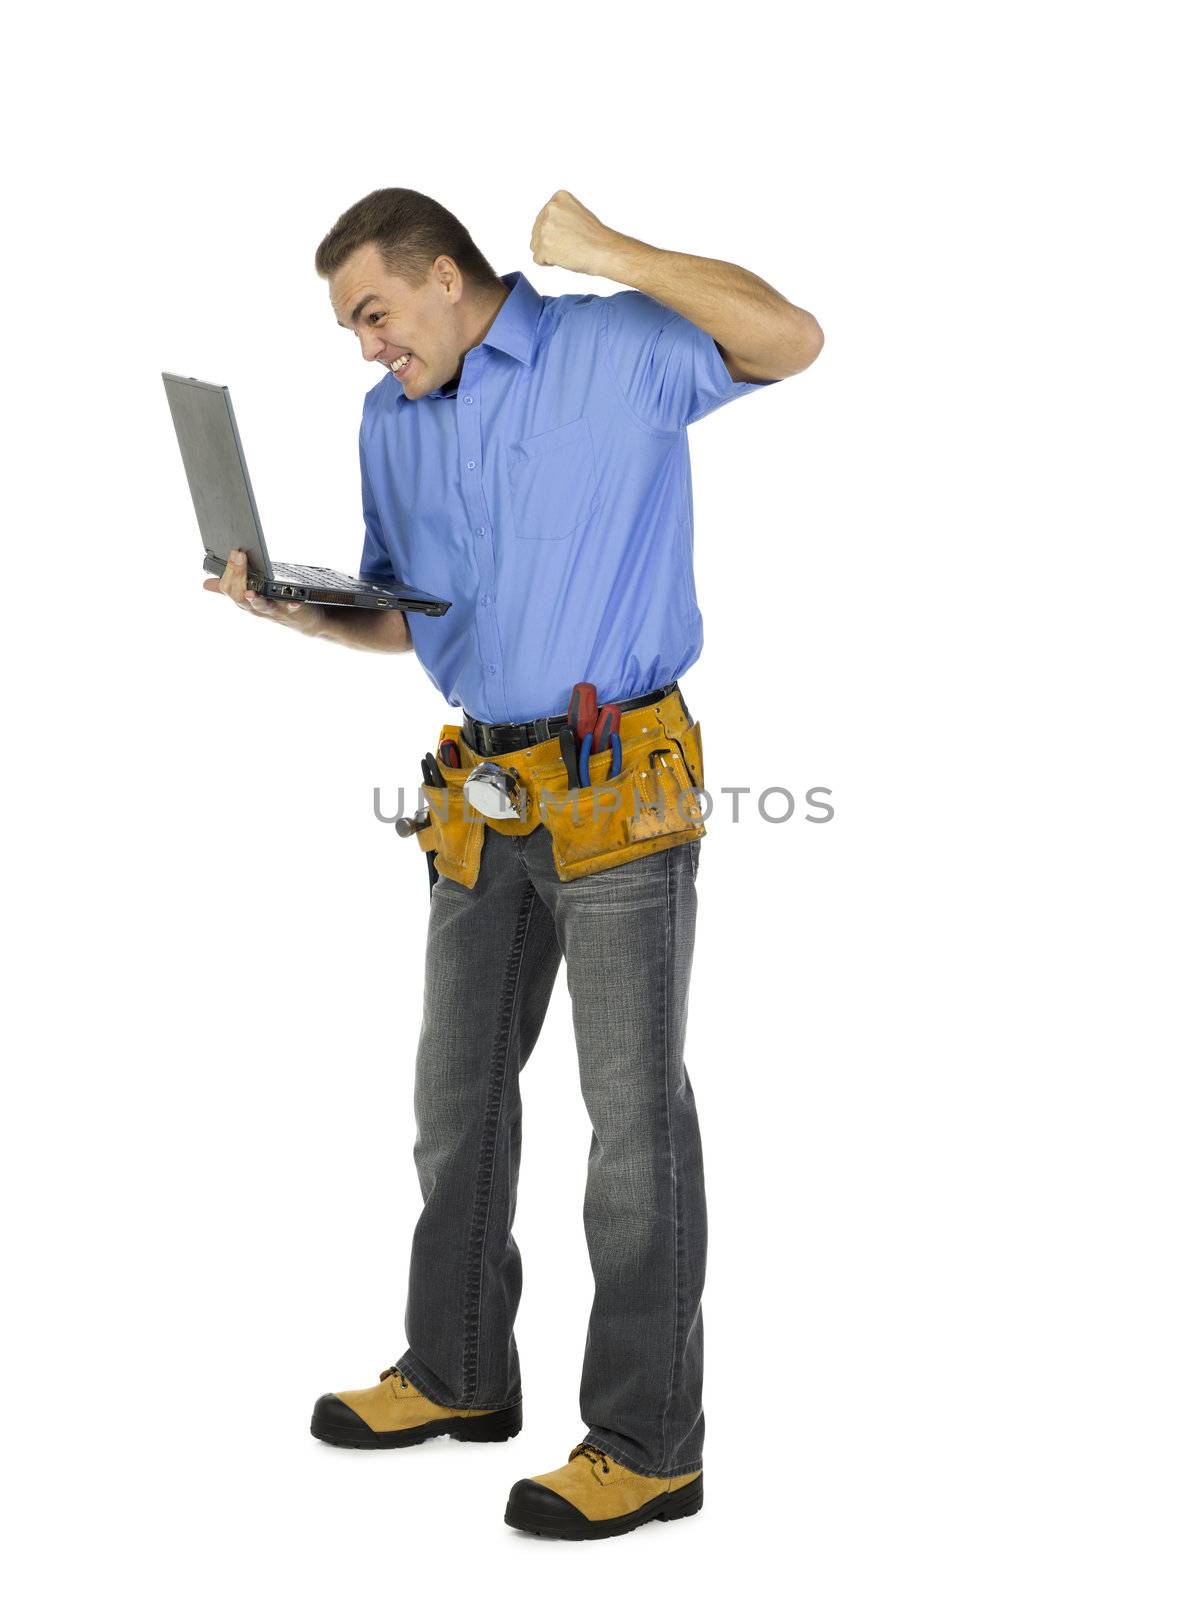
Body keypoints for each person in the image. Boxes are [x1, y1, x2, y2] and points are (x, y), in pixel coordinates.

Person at [206, 186, 823, 1540]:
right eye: (352, 327)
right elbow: (403, 615)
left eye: (373, 313)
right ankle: (457, 1373)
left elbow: (792, 339)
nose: (367, 346)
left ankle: (650, 1445)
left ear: (442, 276)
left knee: (633, 1131)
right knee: (456, 1100)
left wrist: (605, 252)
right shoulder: (392, 423)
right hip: (479, 794)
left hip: (619, 790)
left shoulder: (613, 349)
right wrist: (293, 610)